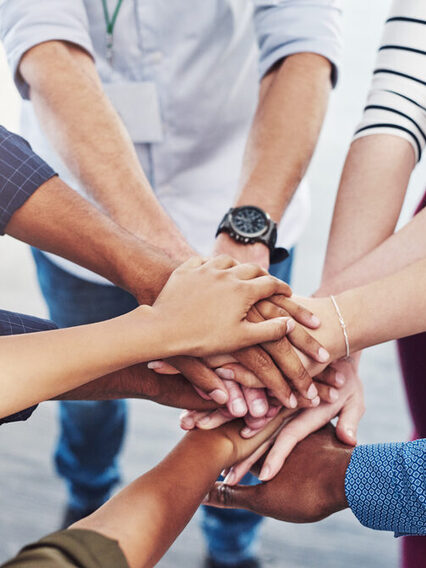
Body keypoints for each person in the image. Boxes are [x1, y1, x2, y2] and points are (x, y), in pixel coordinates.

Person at [0, 2, 343, 563]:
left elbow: (303, 39)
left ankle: (232, 545)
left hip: (246, 214)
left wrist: (240, 240)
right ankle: (86, 498)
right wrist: (177, 278)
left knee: (261, 400)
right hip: (76, 229)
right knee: (89, 404)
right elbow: (46, 45)